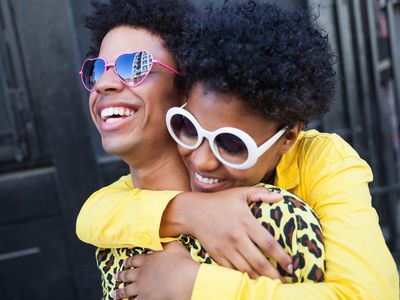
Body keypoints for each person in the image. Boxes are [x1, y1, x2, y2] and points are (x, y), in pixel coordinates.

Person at [94, 1, 398, 299]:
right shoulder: (173, 154)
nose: (201, 159)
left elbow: (372, 293)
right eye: (189, 127)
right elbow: (95, 213)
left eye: (231, 144)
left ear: (288, 137)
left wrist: (194, 285)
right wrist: (192, 211)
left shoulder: (322, 161)